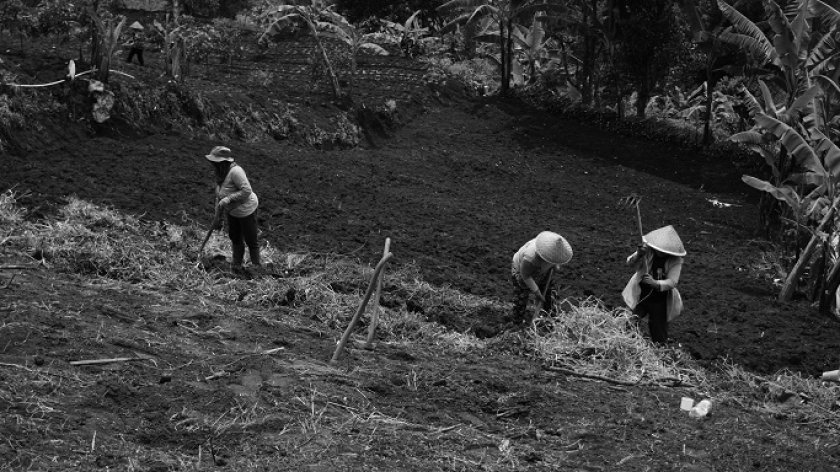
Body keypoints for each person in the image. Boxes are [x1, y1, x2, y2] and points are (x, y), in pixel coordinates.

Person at [622, 225, 685, 344]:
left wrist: (655, 283)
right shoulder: (647, 250)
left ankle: (660, 351)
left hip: (660, 298)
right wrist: (638, 255)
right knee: (631, 321)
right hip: (642, 294)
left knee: (658, 330)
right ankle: (626, 343)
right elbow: (629, 262)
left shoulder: (676, 260)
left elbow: (672, 281)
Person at [205, 146, 261, 273]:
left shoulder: (236, 171)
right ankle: (237, 265)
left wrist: (229, 199)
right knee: (235, 236)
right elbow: (219, 197)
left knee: (250, 238)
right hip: (233, 211)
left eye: (215, 162)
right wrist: (217, 217)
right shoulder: (220, 174)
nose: (213, 165)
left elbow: (247, 190)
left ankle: (257, 268)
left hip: (246, 209)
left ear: (223, 162)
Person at [509, 231, 573, 326]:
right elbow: (526, 276)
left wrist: (555, 265)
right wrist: (537, 292)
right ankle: (517, 323)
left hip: (541, 270)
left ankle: (549, 315)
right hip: (522, 272)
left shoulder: (555, 251)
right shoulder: (530, 257)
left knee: (547, 293)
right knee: (521, 297)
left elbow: (556, 260)